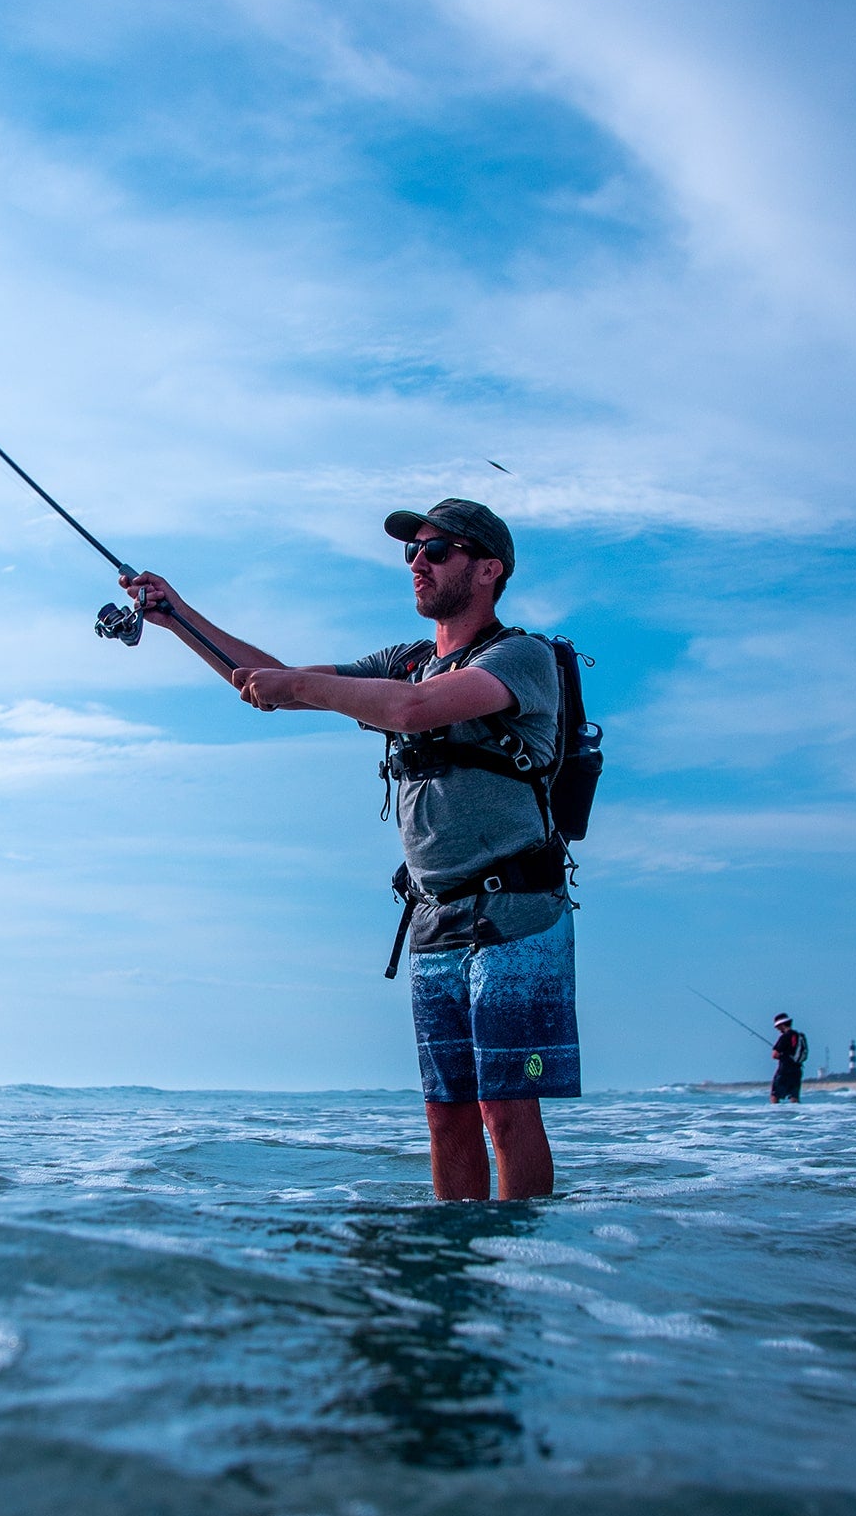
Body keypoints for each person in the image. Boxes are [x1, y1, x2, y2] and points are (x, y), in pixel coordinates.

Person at [119, 498, 578, 1201]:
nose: (418, 562)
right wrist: (179, 615)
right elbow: (271, 681)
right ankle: (455, 1275)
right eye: (412, 551)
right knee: (446, 1115)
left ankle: (532, 1272)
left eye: (438, 550)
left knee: (507, 1109)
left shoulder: (523, 657)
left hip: (518, 915)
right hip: (434, 921)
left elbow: (411, 711)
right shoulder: (408, 660)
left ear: (489, 569)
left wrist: (301, 687)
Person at [771, 1013, 807, 1103]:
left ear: (782, 1025)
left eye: (777, 1026)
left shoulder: (785, 1037)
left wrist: (782, 1056)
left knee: (775, 1096)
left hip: (784, 1070)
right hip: (797, 1070)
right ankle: (797, 1115)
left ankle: (776, 1115)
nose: (776, 1029)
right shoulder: (800, 1036)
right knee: (794, 1097)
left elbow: (774, 1055)